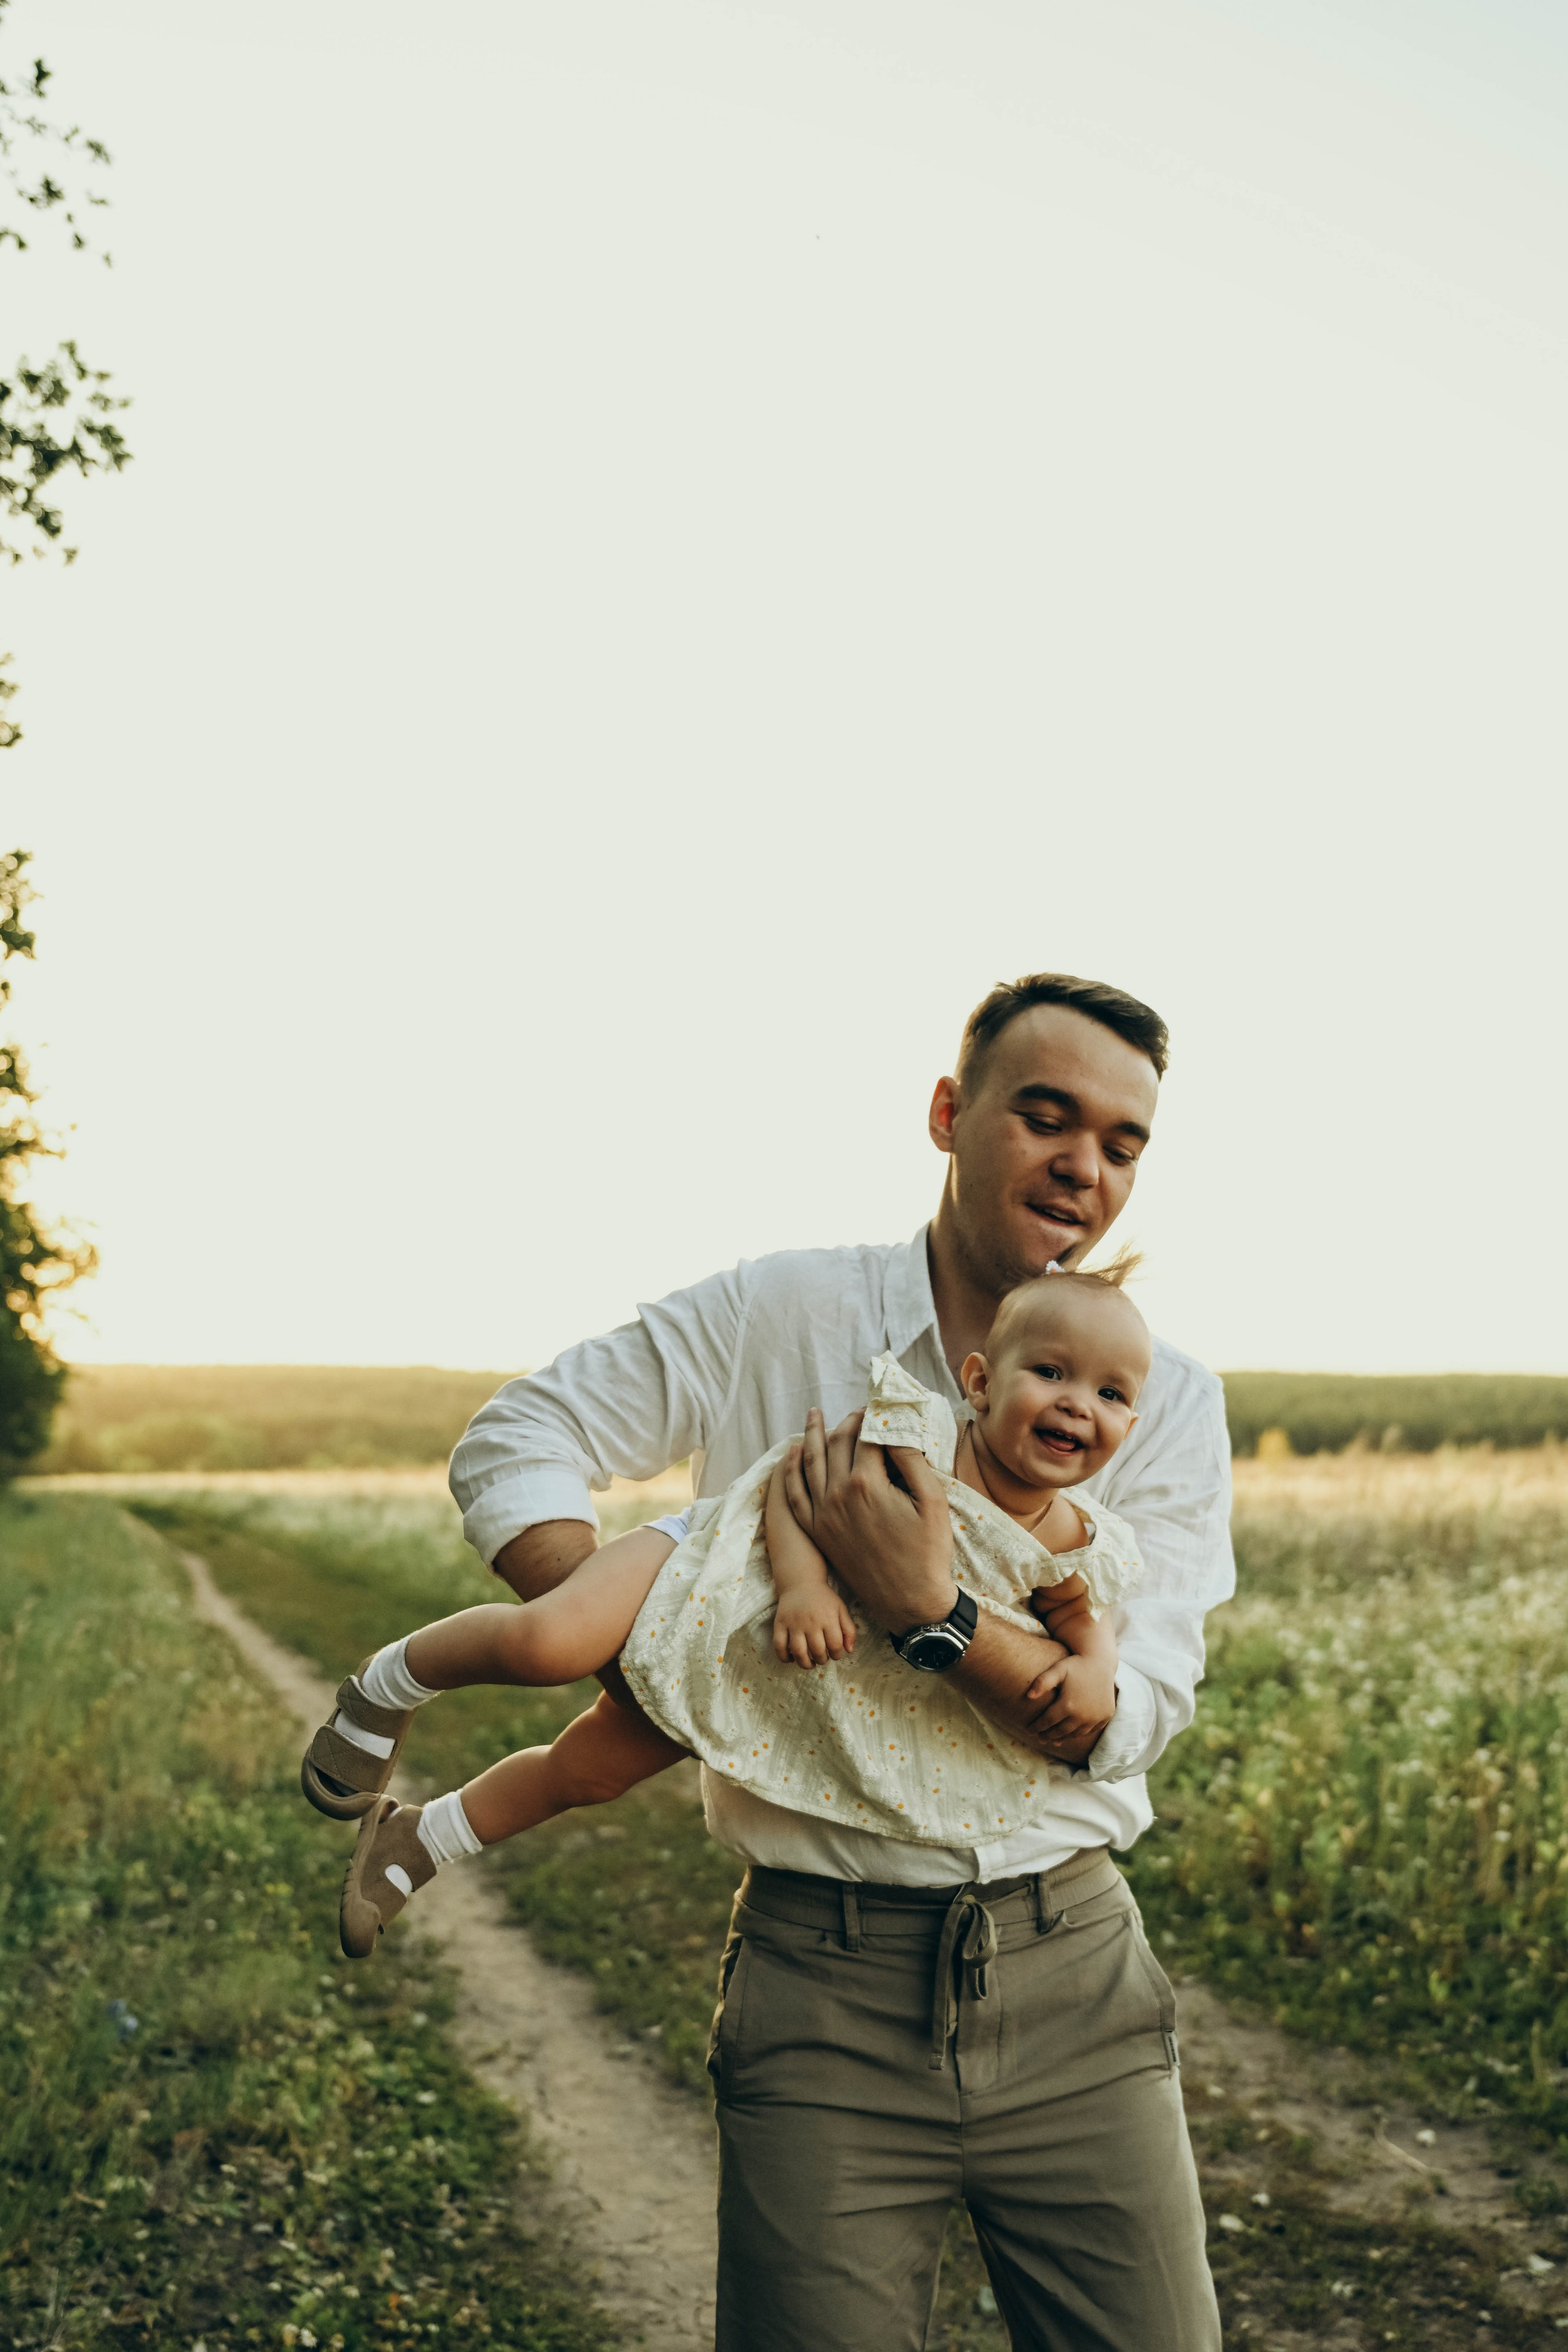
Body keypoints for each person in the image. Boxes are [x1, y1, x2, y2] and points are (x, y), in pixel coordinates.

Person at [451, 971, 1232, 2351]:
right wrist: (646, 1654)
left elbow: (1122, 1718)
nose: (1084, 1166)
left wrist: (927, 1608)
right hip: (820, 1988)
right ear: (947, 1113)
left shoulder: (1157, 1399)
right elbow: (519, 1438)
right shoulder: (782, 1310)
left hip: (1077, 1983)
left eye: (1123, 1144)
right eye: (1045, 1116)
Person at [302, 1267, 1150, 1954]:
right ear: (981, 1382)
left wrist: (1096, 1665)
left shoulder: (1072, 1536)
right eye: (1050, 1373)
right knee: (548, 1643)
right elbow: (793, 1481)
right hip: (714, 1562)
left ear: (1131, 1421)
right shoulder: (917, 1439)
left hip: (756, 1662)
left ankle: (422, 1839)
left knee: (592, 1773)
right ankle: (387, 1683)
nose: (1079, 1403)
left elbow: (1078, 1611)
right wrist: (805, 1586)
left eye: (1111, 1394)